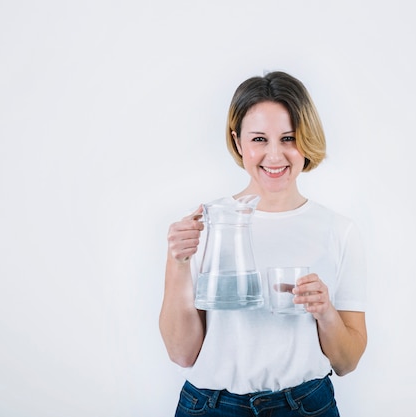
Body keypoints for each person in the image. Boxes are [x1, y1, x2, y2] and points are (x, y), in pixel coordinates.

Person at [159, 71, 367, 416]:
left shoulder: (339, 231)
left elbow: (347, 363)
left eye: (288, 138)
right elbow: (182, 354)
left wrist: (325, 312)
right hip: (211, 407)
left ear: (307, 140)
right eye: (259, 139)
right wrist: (179, 263)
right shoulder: (203, 226)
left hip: (304, 406)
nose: (274, 155)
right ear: (238, 141)